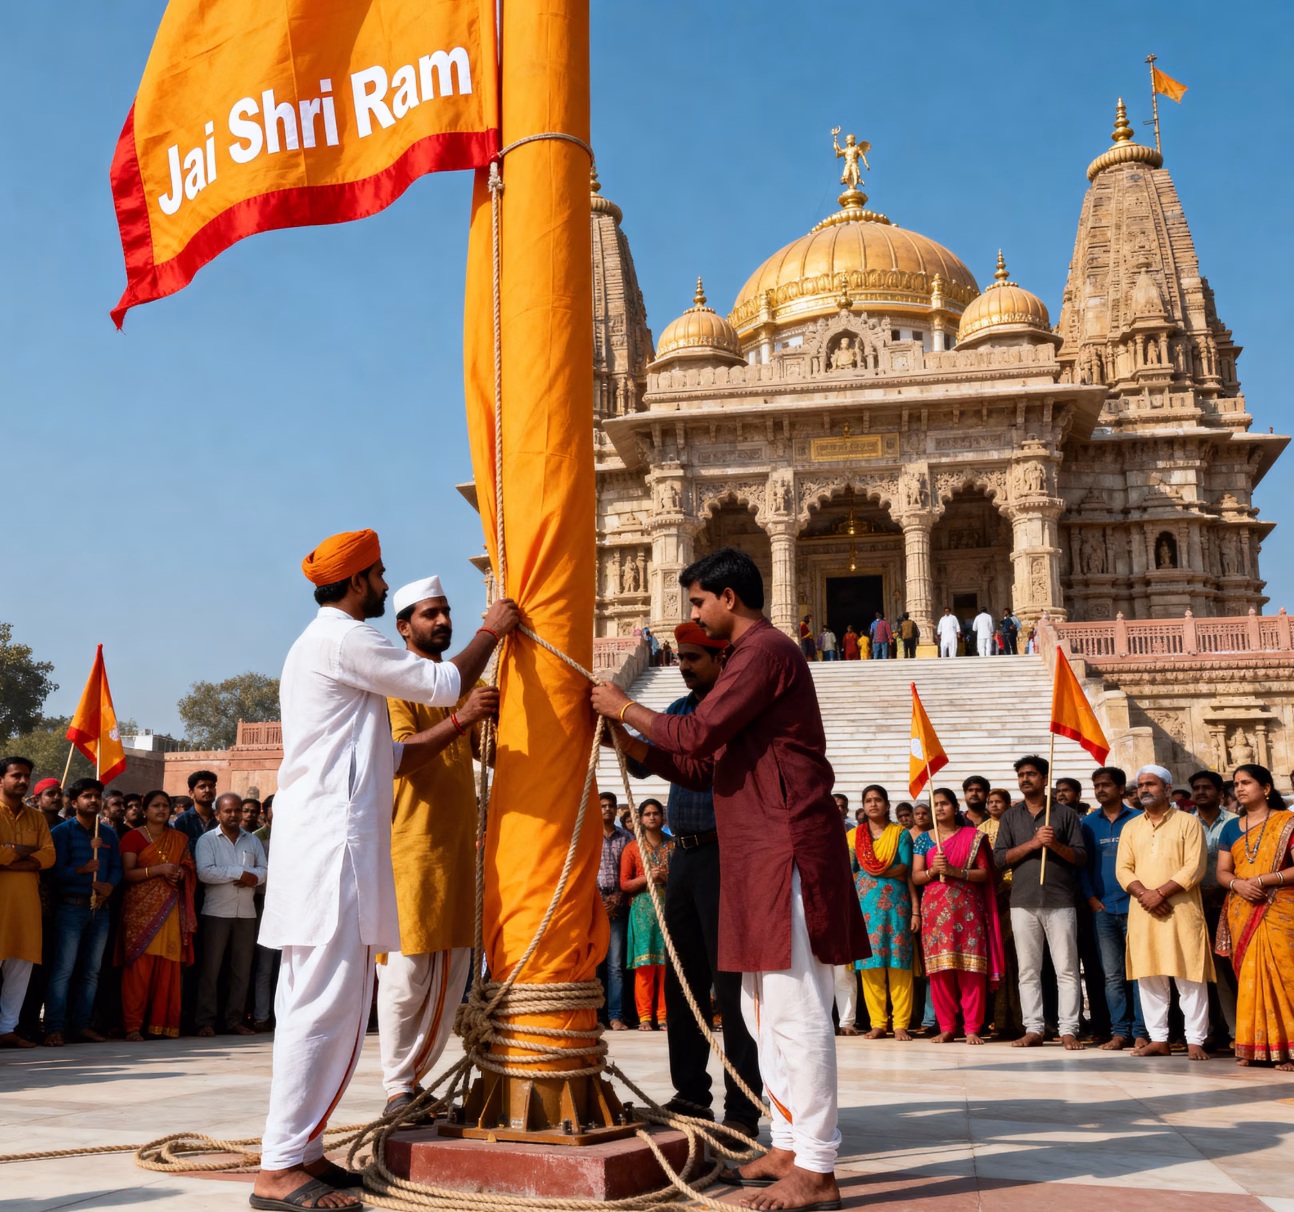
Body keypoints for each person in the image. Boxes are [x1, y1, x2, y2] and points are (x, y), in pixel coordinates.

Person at [592, 547, 869, 1211]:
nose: (691, 616)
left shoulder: (764, 652)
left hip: (786, 845)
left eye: (696, 603)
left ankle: (819, 1165)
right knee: (758, 1006)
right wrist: (629, 740)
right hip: (753, 851)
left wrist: (627, 709)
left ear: (728, 598)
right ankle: (789, 1140)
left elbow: (701, 733)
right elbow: (699, 767)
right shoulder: (748, 662)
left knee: (796, 1007)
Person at [252, 529, 519, 1211]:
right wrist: (493, 629)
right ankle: (280, 1168)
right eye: (378, 577)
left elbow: (394, 760)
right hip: (329, 852)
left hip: (334, 849)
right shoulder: (344, 638)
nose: (382, 583)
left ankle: (303, 1153)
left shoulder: (332, 648)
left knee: (329, 1009)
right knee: (322, 1009)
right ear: (356, 583)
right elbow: (448, 680)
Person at [622, 621, 763, 1136]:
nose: (682, 667)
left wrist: (627, 712)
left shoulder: (733, 705)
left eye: (692, 659)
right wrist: (614, 725)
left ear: (721, 660)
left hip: (725, 856)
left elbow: (697, 752)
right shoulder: (680, 708)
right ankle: (690, 1095)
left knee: (731, 989)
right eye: (679, 658)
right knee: (683, 984)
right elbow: (640, 766)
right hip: (682, 858)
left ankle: (744, 1108)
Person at [378, 575, 498, 1115]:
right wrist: (462, 717)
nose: (443, 622)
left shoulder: (455, 690)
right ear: (404, 627)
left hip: (455, 852)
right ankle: (397, 1087)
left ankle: (415, 1083)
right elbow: (403, 753)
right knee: (407, 976)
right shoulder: (397, 686)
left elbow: (486, 752)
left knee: (451, 976)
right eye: (430, 615)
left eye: (446, 612)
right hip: (410, 851)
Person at [1116, 765, 1213, 1061]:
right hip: (1144, 911)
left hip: (1181, 910)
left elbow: (1194, 867)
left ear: (1168, 789)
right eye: (1141, 785)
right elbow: (1122, 868)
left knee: (1190, 974)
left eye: (1151, 784)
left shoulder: (1188, 822)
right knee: (1149, 974)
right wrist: (1145, 894)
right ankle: (1158, 1039)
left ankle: (1195, 1039)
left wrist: (1159, 893)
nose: (1144, 789)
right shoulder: (1131, 827)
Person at [994, 754, 1088, 1050]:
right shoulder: (1010, 816)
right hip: (1022, 901)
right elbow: (999, 859)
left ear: (1045, 778)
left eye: (1032, 774)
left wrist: (1055, 845)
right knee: (1028, 970)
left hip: (1059, 900)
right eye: (1021, 774)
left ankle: (1069, 1028)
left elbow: (1080, 857)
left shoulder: (1064, 814)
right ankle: (1033, 1028)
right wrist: (1033, 844)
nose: (1025, 779)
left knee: (1067, 969)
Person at [1215, 763, 1294, 1069]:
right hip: (1242, 908)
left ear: (1266, 788)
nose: (1240, 788)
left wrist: (1261, 880)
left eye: (1246, 782)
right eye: (1236, 784)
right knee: (1249, 978)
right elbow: (1223, 872)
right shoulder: (1231, 827)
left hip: (1280, 909)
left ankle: (1287, 1049)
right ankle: (1256, 1047)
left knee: (1286, 978)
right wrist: (1238, 884)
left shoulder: (1287, 822)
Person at [912, 788, 1003, 1045]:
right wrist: (933, 871)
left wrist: (954, 871)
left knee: (971, 969)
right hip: (935, 912)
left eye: (944, 804)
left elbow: (984, 873)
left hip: (967, 909)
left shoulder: (972, 836)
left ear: (955, 807)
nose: (939, 808)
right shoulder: (924, 840)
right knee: (940, 971)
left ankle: (972, 1027)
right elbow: (917, 876)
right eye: (935, 804)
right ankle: (948, 1027)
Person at [44, 778, 121, 1046]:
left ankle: (81, 1025)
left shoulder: (108, 834)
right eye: (87, 796)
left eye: (97, 796)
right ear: (74, 802)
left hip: (100, 911)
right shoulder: (62, 833)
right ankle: (54, 1026)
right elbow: (53, 872)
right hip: (71, 908)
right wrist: (83, 871)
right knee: (63, 970)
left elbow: (116, 868)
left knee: (91, 972)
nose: (94, 800)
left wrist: (109, 886)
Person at [117, 790, 196, 1040]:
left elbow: (188, 869)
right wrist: (159, 869)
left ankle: (161, 1025)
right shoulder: (132, 838)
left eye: (165, 805)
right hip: (140, 912)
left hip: (171, 910)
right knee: (139, 969)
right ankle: (132, 1026)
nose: (161, 810)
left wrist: (180, 874)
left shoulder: (180, 839)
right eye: (155, 805)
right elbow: (128, 873)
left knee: (167, 967)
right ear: (145, 809)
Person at [1081, 767, 1147, 1050]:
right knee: (1113, 975)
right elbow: (1082, 865)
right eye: (1097, 785)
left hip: (1137, 906)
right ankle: (1120, 1031)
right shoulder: (1087, 823)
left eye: (1106, 785)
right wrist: (1091, 900)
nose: (1100, 790)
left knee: (1141, 972)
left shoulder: (1139, 819)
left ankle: (1143, 1030)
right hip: (1103, 909)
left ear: (1122, 789)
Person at [194, 792, 267, 1037]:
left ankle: (234, 1020)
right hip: (216, 912)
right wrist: (240, 873)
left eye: (237, 810)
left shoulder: (252, 840)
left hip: (246, 914)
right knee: (210, 970)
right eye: (228, 811)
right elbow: (205, 873)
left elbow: (265, 871)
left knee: (241, 970)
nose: (234, 815)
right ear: (218, 814)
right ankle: (205, 1021)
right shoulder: (207, 840)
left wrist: (253, 877)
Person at [851, 785, 916, 1040]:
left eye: (878, 800)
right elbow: (851, 870)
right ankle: (877, 1022)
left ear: (887, 805)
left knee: (899, 963)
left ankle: (900, 1023)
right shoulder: (854, 836)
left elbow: (904, 868)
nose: (873, 804)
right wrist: (869, 872)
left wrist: (872, 872)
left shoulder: (900, 834)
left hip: (896, 905)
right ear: (864, 806)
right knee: (870, 964)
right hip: (865, 907)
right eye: (868, 800)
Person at [0, 756, 54, 1049]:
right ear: (1, 779)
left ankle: (7, 1029)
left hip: (27, 907)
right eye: (16, 775)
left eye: (26, 776)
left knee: (20, 968)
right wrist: (24, 854)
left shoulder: (36, 817)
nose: (22, 781)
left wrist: (11, 858)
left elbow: (48, 856)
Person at [1190, 769, 1238, 1047]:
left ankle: (1236, 1031)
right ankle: (1205, 1031)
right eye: (1196, 788)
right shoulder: (1185, 824)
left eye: (1206, 787)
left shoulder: (1234, 823)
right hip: (1194, 905)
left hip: (1228, 903)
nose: (1200, 792)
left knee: (1228, 969)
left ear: (1220, 793)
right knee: (1200, 972)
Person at [620, 799, 674, 1031]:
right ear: (640, 819)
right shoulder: (632, 848)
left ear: (662, 817)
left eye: (656, 813)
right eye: (647, 814)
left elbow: (684, 880)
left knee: (666, 967)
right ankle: (644, 1018)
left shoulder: (673, 846)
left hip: (670, 908)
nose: (652, 817)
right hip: (643, 911)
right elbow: (624, 884)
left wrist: (666, 877)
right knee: (645, 968)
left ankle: (663, 1017)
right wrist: (648, 877)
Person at [979, 788, 1021, 1038]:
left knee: (1016, 961)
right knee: (997, 958)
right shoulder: (980, 830)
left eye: (999, 802)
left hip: (1015, 893)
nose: (994, 805)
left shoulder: (1015, 824)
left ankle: (1019, 1019)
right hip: (993, 898)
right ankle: (998, 1020)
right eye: (990, 802)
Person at [596, 791, 632, 1032]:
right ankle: (595, 1015)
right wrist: (599, 901)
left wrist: (619, 897)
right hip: (594, 905)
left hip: (619, 904)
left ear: (617, 809)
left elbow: (632, 870)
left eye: (611, 806)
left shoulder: (628, 838)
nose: (607, 809)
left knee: (615, 966)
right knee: (594, 963)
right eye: (603, 806)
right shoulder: (587, 836)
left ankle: (615, 1015)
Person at [173, 771, 219, 849]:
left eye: (211, 786)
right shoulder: (182, 821)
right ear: (191, 793)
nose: (207, 790)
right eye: (202, 787)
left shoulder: (220, 820)